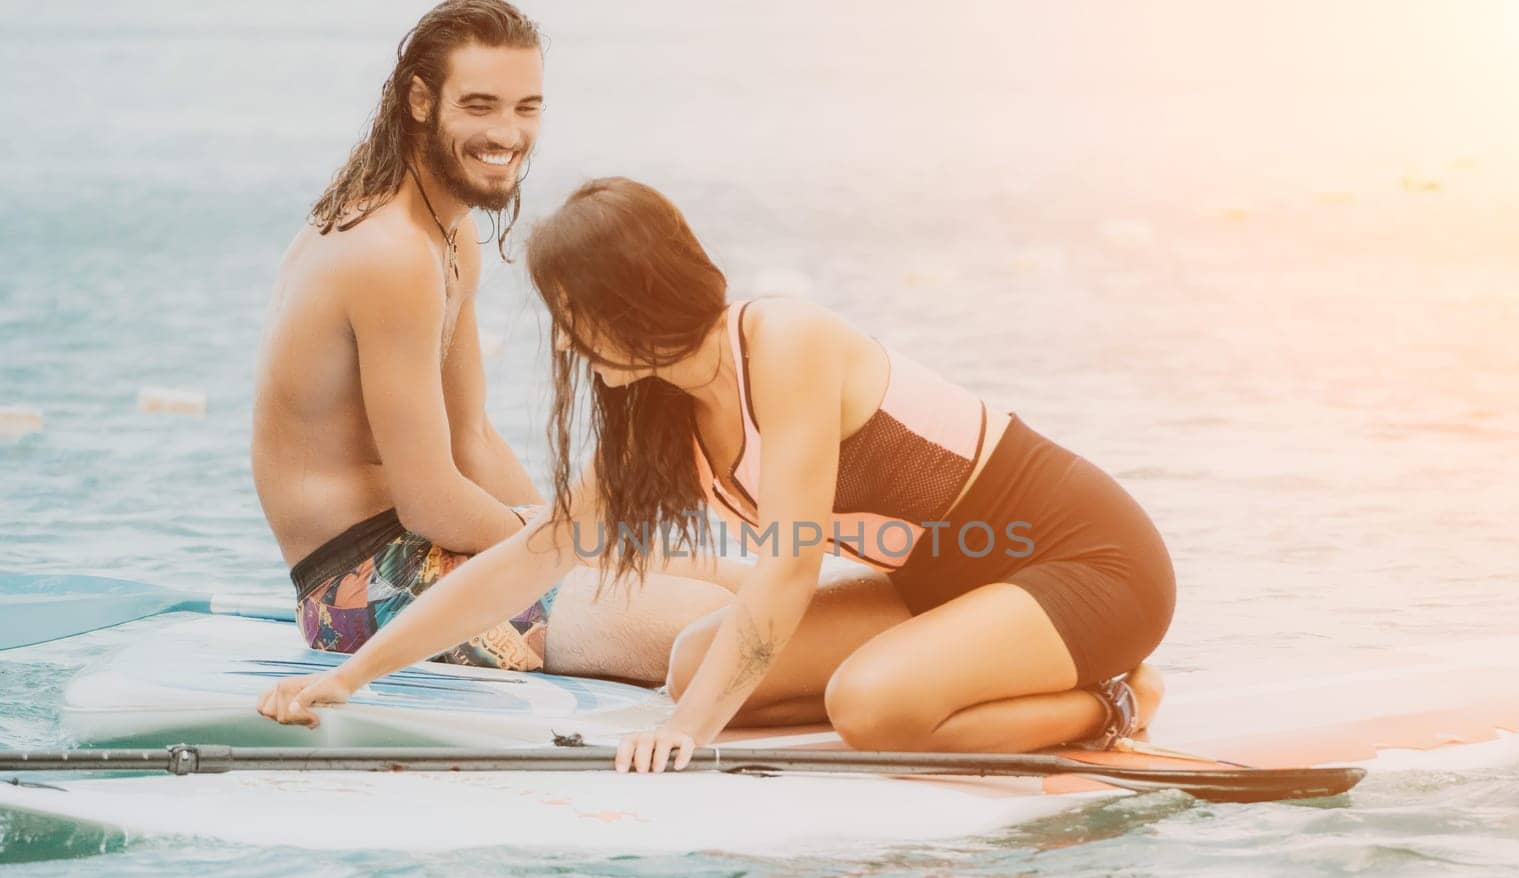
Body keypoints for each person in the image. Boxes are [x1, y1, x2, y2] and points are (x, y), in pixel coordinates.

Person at [259, 177, 1175, 772]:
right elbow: (531, 559)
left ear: (630, 296)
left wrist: (688, 734)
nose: (568, 341)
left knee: (872, 705)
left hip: (1081, 564)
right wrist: (358, 675)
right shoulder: (661, 417)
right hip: (943, 587)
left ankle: (1113, 701)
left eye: (573, 315)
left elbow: (787, 570)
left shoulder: (786, 342)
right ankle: (973, 679)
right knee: (697, 657)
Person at [250, 3, 732, 681]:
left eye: (525, 107)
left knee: (730, 577)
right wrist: (559, 550)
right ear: (421, 101)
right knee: (714, 620)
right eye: (480, 106)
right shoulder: (390, 254)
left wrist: (559, 536)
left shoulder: (448, 236)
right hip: (362, 586)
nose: (507, 133)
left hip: (429, 550)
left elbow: (471, 437)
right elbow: (429, 500)